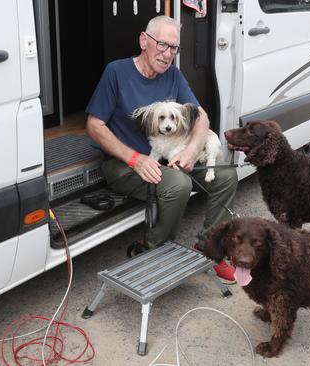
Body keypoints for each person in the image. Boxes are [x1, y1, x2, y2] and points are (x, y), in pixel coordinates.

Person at [85, 15, 237, 282]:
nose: (168, 55)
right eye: (162, 45)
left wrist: (190, 152)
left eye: (174, 48)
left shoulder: (174, 76)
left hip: (169, 156)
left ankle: (210, 247)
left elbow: (201, 117)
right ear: (144, 41)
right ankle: (154, 252)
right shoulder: (116, 72)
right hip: (123, 163)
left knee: (226, 175)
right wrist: (134, 158)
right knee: (177, 184)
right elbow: (94, 125)